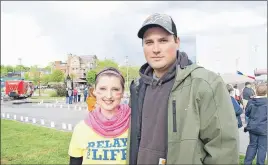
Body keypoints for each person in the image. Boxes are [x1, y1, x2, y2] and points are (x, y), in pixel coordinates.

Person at [127, 13, 239, 164]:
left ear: (177, 42)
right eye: (149, 42)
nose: (156, 49)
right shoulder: (137, 87)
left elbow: (223, 150)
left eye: (163, 41)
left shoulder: (204, 83)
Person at [68, 67, 131, 165]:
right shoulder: (81, 128)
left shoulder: (134, 125)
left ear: (122, 92)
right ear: (94, 91)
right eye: (103, 89)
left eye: (115, 89)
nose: (109, 95)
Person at [244, 83, 267, 165]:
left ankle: (247, 162)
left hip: (253, 128)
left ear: (256, 91)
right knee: (262, 147)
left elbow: (247, 113)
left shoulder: (251, 101)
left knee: (252, 145)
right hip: (264, 129)